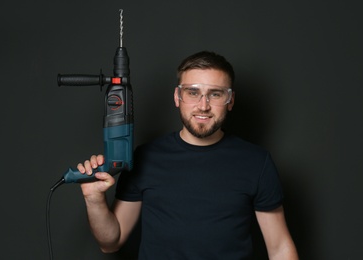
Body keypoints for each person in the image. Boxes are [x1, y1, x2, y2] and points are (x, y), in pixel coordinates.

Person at [78, 51, 299, 259]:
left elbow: (279, 248)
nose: (203, 106)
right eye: (193, 92)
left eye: (215, 94)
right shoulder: (146, 157)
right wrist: (94, 199)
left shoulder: (256, 162)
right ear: (177, 96)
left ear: (230, 100)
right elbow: (110, 242)